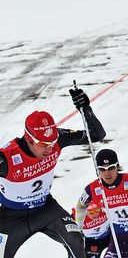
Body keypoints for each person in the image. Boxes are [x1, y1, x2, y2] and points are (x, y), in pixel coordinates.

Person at [0, 88, 105, 258]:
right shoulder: (6, 158)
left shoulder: (58, 139)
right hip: (11, 217)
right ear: (29, 139)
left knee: (77, 241)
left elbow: (97, 135)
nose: (50, 148)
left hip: (45, 209)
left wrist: (86, 109)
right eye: (43, 144)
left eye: (52, 141)